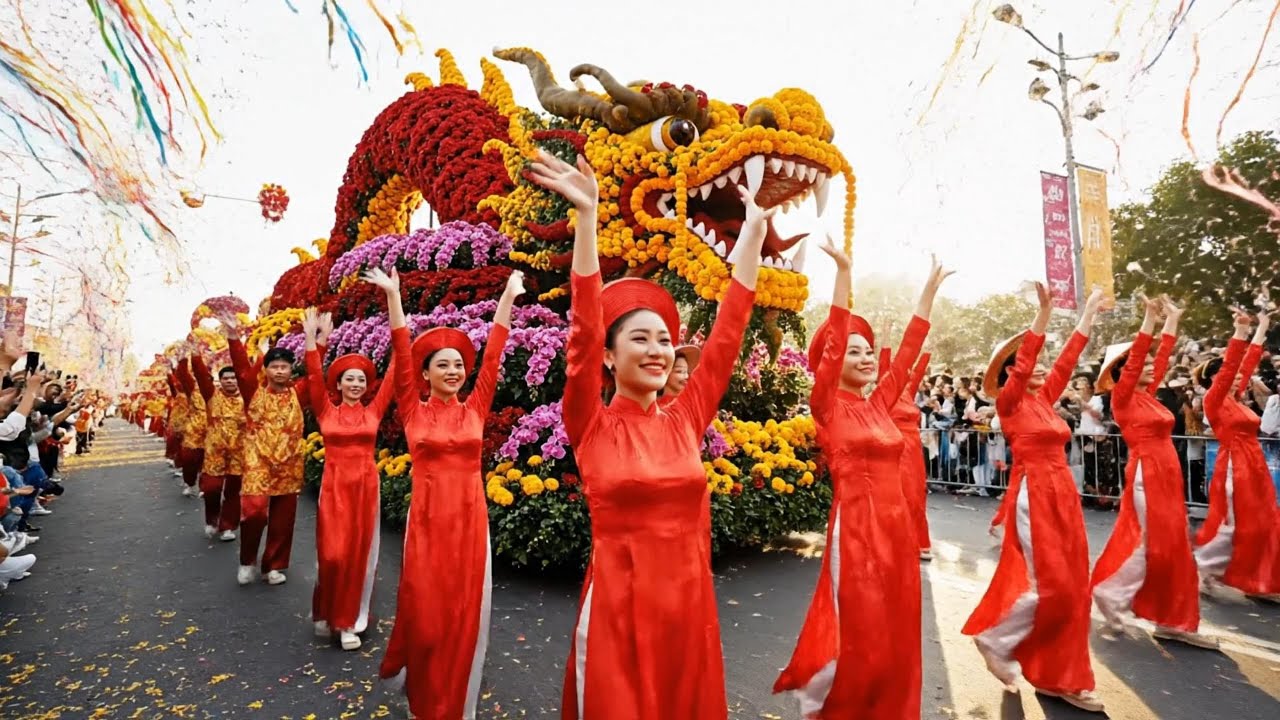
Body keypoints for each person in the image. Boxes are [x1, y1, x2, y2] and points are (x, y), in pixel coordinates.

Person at [526, 148, 765, 719]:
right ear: (609, 359)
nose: (659, 350)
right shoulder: (590, 424)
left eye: (664, 339)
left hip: (688, 610)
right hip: (618, 611)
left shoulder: (686, 419)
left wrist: (752, 237)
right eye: (640, 339)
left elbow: (728, 336)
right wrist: (587, 222)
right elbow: (582, 335)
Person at [774, 239, 950, 719]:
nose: (866, 357)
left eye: (869, 351)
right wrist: (844, 276)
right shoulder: (828, 408)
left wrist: (927, 295)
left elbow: (909, 352)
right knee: (862, 630)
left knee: (897, 628)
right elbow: (831, 348)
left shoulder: (880, 405)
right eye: (855, 352)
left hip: (897, 536)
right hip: (854, 532)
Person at [365, 263, 522, 716]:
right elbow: (400, 349)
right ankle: (421, 689)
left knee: (462, 616)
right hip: (428, 526)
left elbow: (493, 353)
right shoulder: (414, 411)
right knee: (429, 618)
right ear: (427, 373)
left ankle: (454, 701)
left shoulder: (475, 407)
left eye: (458, 365)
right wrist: (394, 297)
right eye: (443, 365)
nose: (453, 371)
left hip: (470, 525)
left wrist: (508, 296)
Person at [962, 284, 1106, 713]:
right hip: (1035, 494)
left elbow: (1067, 360)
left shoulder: (1044, 401)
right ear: (1010, 374)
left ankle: (1058, 675)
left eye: (1040, 361)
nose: (1040, 367)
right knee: (1054, 586)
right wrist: (1041, 316)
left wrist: (1088, 315)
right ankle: (997, 638)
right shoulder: (1009, 403)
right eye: (1029, 363)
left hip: (1063, 492)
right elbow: (1025, 364)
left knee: (1075, 585)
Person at [1090, 296, 1216, 648]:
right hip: (1147, 474)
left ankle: (1172, 620)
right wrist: (1148, 319)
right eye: (1138, 363)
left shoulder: (1147, 394)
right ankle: (1112, 594)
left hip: (1166, 473)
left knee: (1173, 546)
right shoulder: (1123, 397)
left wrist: (1172, 319)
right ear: (1122, 372)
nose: (1148, 366)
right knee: (1155, 545)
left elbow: (1162, 355)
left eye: (1148, 363)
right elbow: (1142, 358)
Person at [302, 308, 397, 652]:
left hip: (364, 491)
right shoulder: (326, 410)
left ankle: (347, 623)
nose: (356, 384)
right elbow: (313, 376)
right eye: (349, 379)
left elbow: (394, 375)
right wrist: (317, 342)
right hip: (334, 490)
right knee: (332, 557)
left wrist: (397, 326)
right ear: (338, 383)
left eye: (361, 380)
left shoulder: (373, 411)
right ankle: (326, 610)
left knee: (357, 556)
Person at [218, 313, 321, 587]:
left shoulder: (298, 393)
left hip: (289, 464)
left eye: (284, 367)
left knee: (282, 520)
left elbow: (315, 376)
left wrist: (316, 340)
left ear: (290, 370)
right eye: (274, 366)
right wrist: (232, 336)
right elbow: (240, 368)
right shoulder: (254, 391)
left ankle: (273, 565)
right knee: (254, 514)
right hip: (256, 464)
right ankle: (247, 560)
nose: (279, 371)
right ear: (266, 370)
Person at [1194, 309, 1280, 601]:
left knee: (1265, 520)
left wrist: (1262, 327)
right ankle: (1205, 566)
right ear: (1215, 379)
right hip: (1234, 464)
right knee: (1237, 523)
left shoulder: (1236, 396)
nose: (1234, 378)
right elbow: (1232, 366)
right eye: (1225, 375)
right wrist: (1240, 331)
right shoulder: (1213, 399)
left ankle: (1259, 579)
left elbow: (1248, 361)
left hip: (1253, 461)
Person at [882, 346, 933, 559]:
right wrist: (884, 344)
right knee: (902, 493)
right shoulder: (887, 392)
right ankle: (897, 540)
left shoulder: (908, 391)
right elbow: (884, 367)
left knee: (917, 493)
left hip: (914, 449)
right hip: (897, 448)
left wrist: (927, 352)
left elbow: (919, 371)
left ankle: (920, 540)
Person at [194, 357, 244, 542]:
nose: (230, 381)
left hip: (239, 452)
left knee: (234, 491)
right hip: (215, 452)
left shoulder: (248, 397)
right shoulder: (211, 395)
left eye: (233, 378)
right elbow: (200, 375)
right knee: (211, 488)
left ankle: (228, 526)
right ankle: (212, 519)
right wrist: (194, 354)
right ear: (220, 381)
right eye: (226, 378)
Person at [174, 355, 206, 499]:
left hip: (214, 434)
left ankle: (204, 486)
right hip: (193, 432)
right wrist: (183, 358)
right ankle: (189, 483)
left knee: (209, 462)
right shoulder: (193, 391)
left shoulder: (223, 392)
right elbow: (182, 374)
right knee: (189, 460)